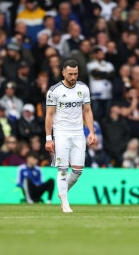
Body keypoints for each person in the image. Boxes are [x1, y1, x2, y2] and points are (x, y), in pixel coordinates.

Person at [45, 60, 95, 213]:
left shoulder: (83, 89)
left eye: (76, 74)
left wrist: (91, 132)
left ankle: (62, 191)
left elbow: (87, 111)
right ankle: (65, 204)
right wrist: (48, 138)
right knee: (62, 169)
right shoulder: (54, 91)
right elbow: (49, 114)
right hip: (61, 132)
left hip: (78, 132)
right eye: (70, 74)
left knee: (78, 170)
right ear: (63, 73)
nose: (73, 77)